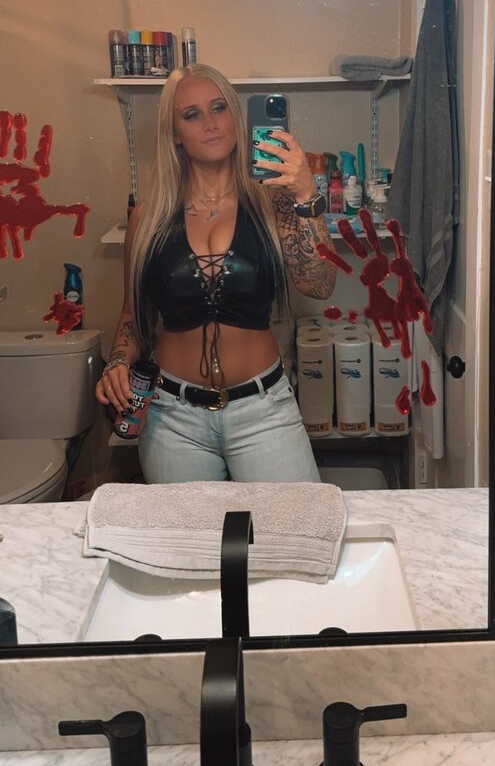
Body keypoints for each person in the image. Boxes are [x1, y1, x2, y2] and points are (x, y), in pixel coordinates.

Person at [96, 63, 336, 483]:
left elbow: (319, 283)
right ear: (175, 132)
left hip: (263, 411)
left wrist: (305, 194)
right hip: (172, 419)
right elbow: (134, 317)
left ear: (236, 117)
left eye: (219, 108)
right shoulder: (147, 218)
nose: (210, 123)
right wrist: (118, 362)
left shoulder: (273, 202)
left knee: (296, 523)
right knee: (187, 529)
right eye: (192, 115)